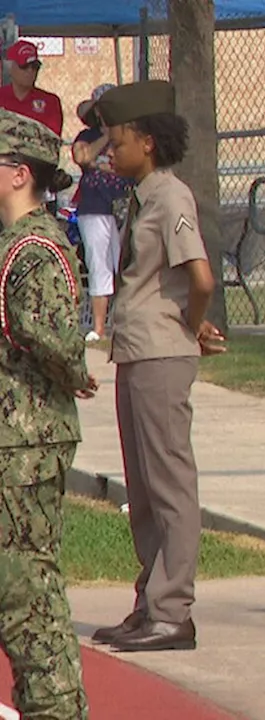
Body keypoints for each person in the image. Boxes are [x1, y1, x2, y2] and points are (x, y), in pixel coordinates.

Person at [88, 80, 226, 653]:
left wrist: (193, 324)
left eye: (116, 141)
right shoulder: (142, 194)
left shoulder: (170, 197)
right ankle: (151, 599)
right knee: (142, 486)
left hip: (163, 352)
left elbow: (201, 277)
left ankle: (173, 610)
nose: (108, 151)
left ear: (147, 140)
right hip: (137, 350)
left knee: (169, 484)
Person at [0, 109, 97, 720]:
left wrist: (74, 373)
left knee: (28, 592)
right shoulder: (14, 243)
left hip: (25, 438)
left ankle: (56, 709)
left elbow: (57, 338)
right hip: (14, 437)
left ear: (16, 174)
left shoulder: (34, 246)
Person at [72, 83, 133, 342]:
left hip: (122, 207)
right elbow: (82, 157)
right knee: (99, 265)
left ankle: (123, 323)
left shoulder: (130, 136)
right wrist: (107, 135)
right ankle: (98, 328)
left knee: (124, 265)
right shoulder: (87, 137)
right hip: (94, 208)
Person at [0, 41, 63, 135]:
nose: (30, 71)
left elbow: (51, 139)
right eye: (24, 66)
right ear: (10, 67)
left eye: (35, 66)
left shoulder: (50, 102)